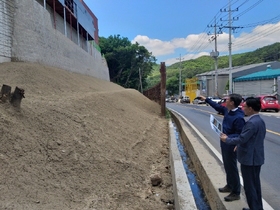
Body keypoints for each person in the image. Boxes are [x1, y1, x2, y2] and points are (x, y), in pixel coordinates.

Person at [220, 97, 266, 210]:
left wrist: (227, 140)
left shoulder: (251, 123)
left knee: (250, 186)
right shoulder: (259, 121)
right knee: (255, 185)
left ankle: (254, 208)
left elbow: (242, 138)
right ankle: (257, 207)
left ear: (250, 109)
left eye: (244, 106)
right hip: (256, 158)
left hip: (250, 159)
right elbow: (252, 139)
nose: (243, 108)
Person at [200, 94, 245, 202]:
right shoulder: (228, 111)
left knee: (232, 168)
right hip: (224, 143)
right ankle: (229, 185)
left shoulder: (238, 117)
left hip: (230, 145)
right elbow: (217, 107)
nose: (225, 101)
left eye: (228, 100)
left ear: (232, 102)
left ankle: (236, 192)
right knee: (227, 166)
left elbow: (240, 135)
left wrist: (228, 137)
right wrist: (206, 99)